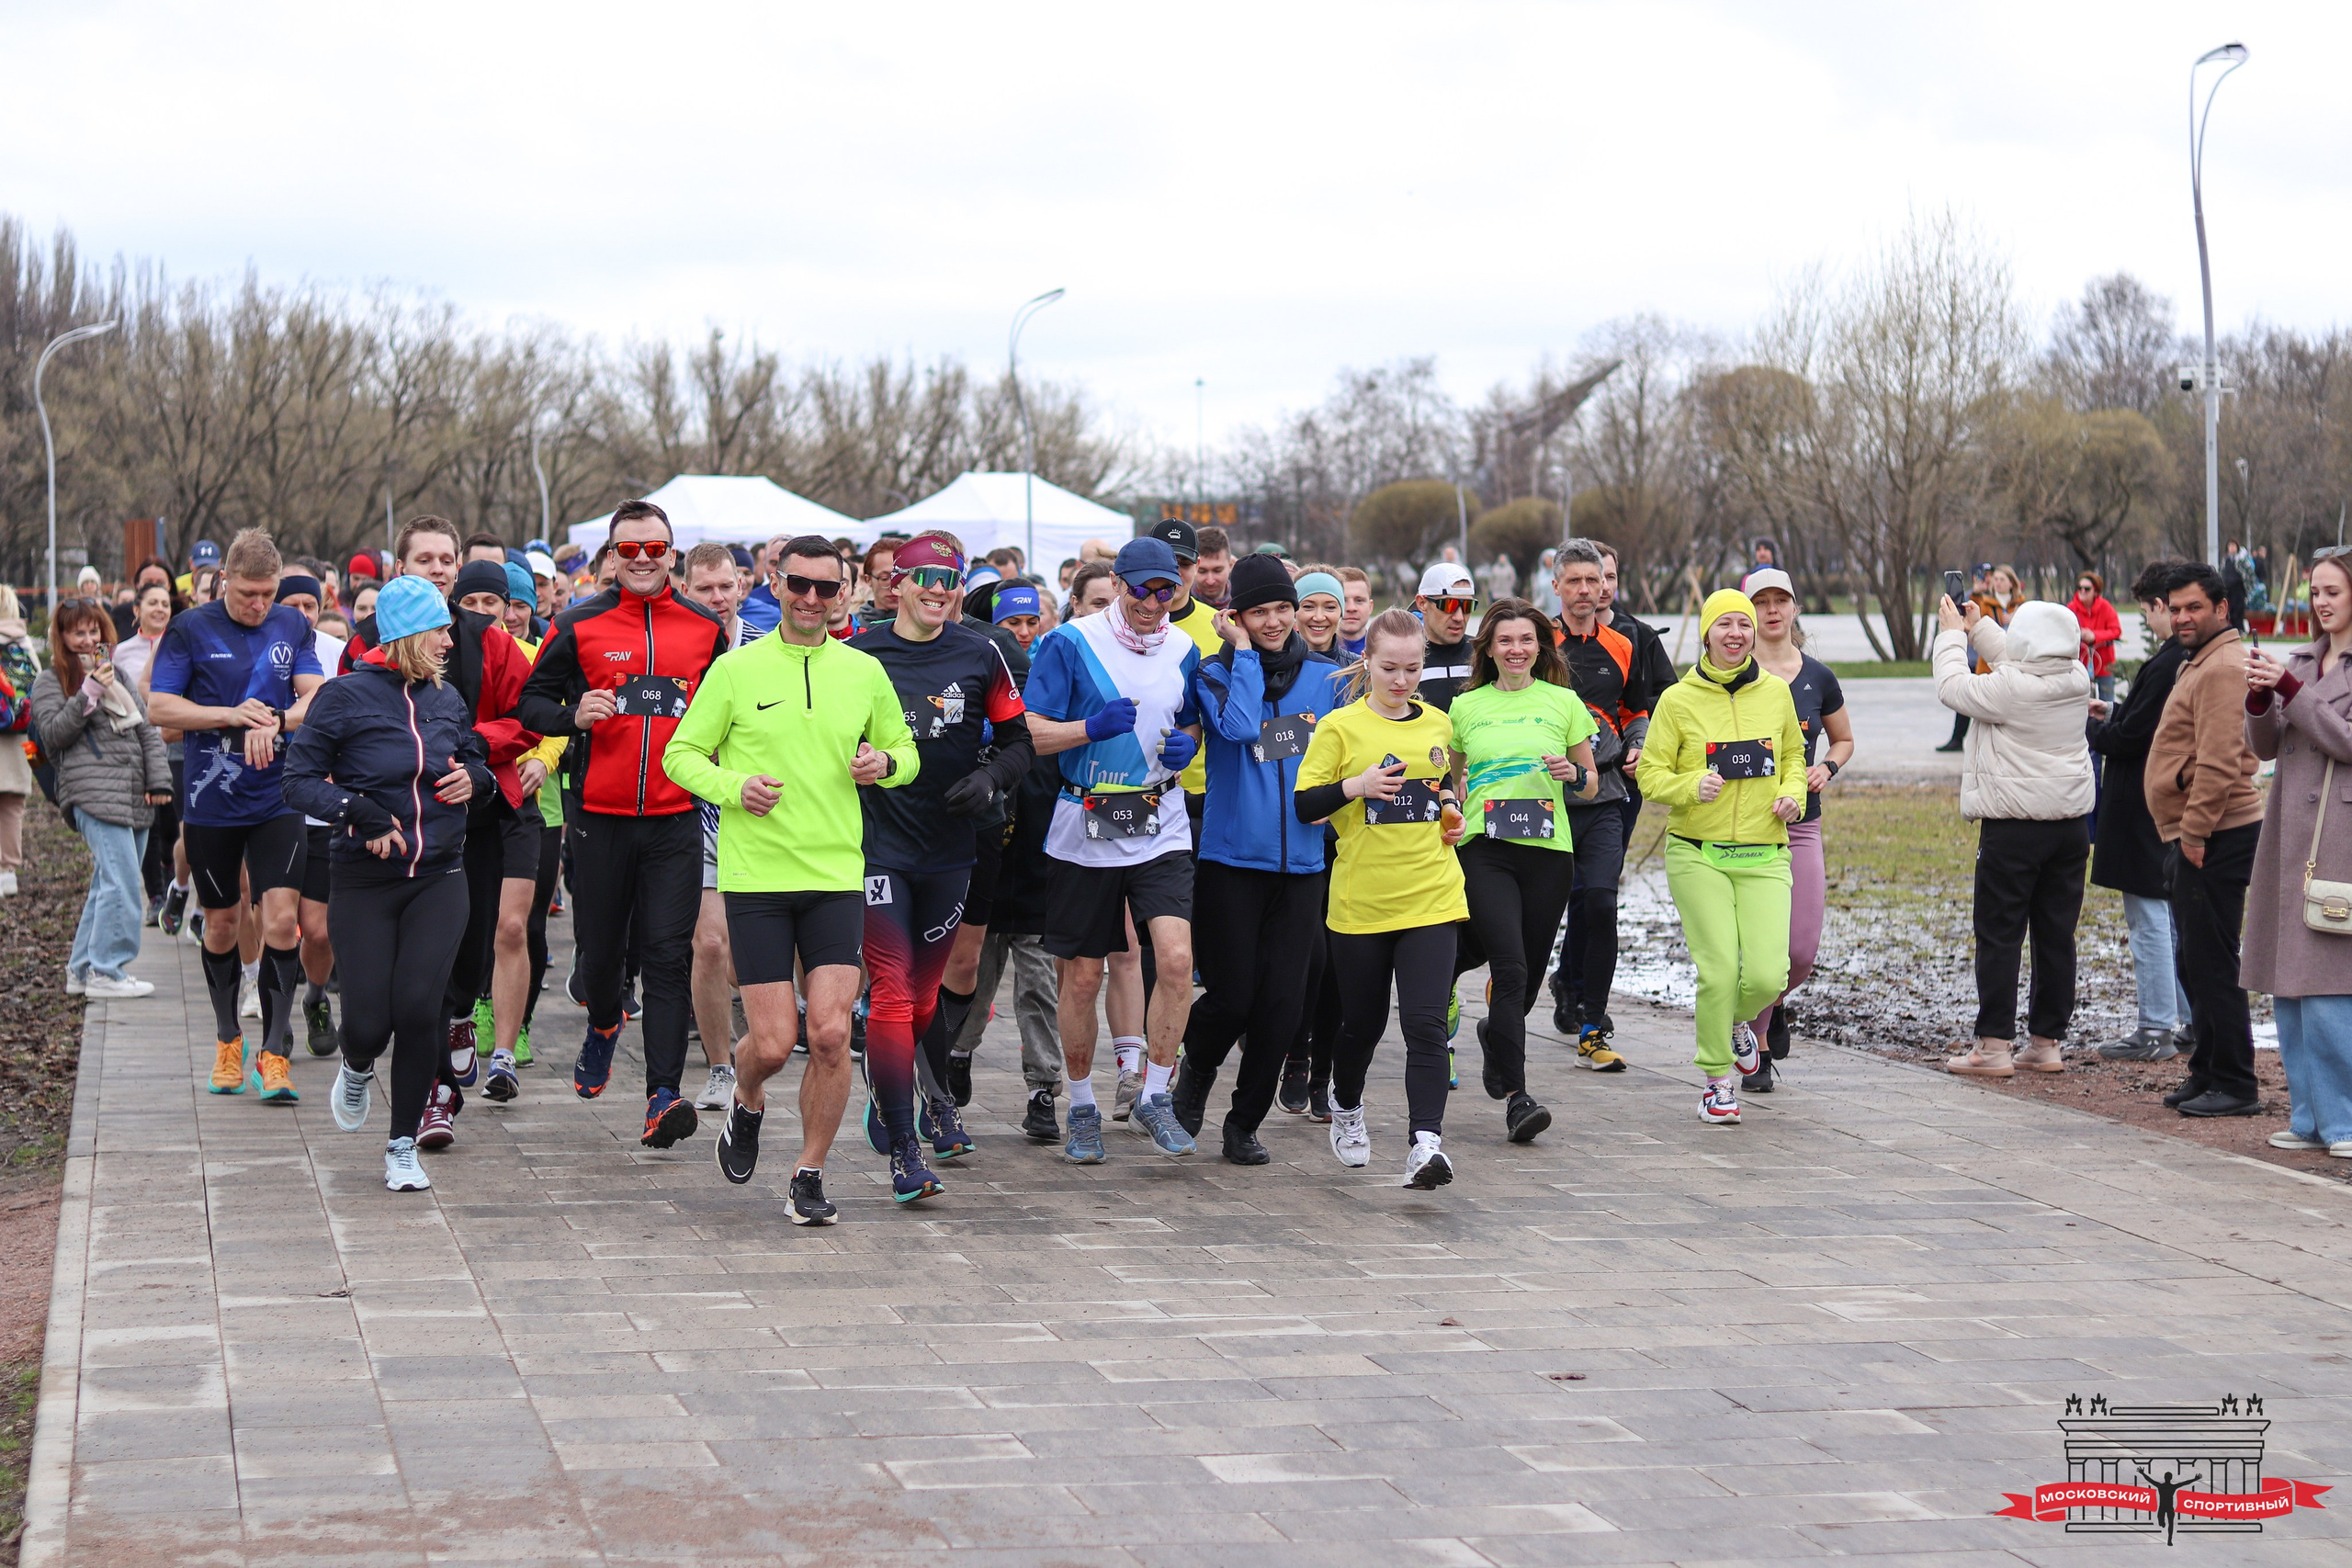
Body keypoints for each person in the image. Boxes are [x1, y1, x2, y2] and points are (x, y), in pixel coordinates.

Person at [663, 536, 919, 1223]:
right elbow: (679, 755)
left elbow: (906, 751)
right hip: (758, 878)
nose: (811, 599)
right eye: (799, 585)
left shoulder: (863, 671)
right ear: (774, 583)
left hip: (837, 871)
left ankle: (809, 1172)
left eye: (826, 589)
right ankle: (747, 1100)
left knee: (832, 1034)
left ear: (845, 595)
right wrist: (734, 784)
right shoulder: (736, 670)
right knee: (774, 1042)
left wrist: (884, 766)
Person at [515, 500, 732, 1149]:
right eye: (629, 549)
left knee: (668, 956)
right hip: (598, 816)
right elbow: (530, 701)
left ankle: (662, 1096)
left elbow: (727, 715)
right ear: (612, 555)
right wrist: (573, 714)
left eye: (654, 548)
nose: (642, 559)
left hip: (674, 818)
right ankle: (604, 1022)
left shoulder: (702, 627)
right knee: (604, 955)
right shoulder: (579, 623)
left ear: (673, 553)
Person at [282, 576, 492, 1191]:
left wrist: (475, 778)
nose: (451, 641)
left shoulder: (445, 698)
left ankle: (402, 1146)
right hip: (365, 881)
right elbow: (297, 781)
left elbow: (472, 751)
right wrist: (359, 809)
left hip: (440, 875)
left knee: (419, 1004)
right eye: (440, 630)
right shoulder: (341, 698)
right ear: (407, 635)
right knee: (370, 1021)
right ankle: (355, 1062)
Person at [846, 534, 1032, 1195]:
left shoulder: (981, 653)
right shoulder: (858, 654)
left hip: (953, 847)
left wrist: (990, 783)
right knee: (895, 992)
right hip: (878, 848)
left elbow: (1018, 742)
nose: (938, 588)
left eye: (949, 578)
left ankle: (899, 1085)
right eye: (924, 575)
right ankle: (905, 1148)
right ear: (896, 582)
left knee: (923, 998)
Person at [1021, 536, 1204, 1162]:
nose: (1155, 602)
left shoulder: (1185, 647)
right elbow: (1033, 731)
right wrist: (1087, 729)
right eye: (1143, 589)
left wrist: (1188, 742)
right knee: (1081, 978)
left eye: (1167, 591)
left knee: (1176, 961)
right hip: (1085, 819)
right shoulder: (1069, 642)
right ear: (1120, 583)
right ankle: (1080, 1106)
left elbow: (1187, 716)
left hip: (1160, 818)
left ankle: (1154, 1093)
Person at [1171, 556, 1347, 1163]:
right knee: (1233, 996)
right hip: (1230, 862)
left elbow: (1343, 763)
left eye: (1281, 608)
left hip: (1302, 865)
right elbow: (1243, 727)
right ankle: (1195, 1065)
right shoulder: (1215, 674)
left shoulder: (1329, 680)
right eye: (1259, 612)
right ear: (1236, 615)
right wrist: (1242, 651)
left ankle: (1243, 1120)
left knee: (1283, 1005)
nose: (1274, 621)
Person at [145, 530, 325, 1105]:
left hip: (278, 799)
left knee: (279, 922)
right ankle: (229, 1040)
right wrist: (230, 715)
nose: (259, 605)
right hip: (211, 804)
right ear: (225, 580)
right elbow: (159, 707)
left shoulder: (292, 626)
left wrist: (277, 720)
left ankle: (274, 1054)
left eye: (268, 593)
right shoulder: (190, 629)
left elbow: (315, 698)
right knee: (222, 924)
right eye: (248, 593)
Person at [1294, 606, 1468, 1186]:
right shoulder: (1339, 727)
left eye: (1412, 668)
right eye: (1389, 667)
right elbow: (1303, 806)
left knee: (1425, 1024)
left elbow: (1446, 788)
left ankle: (1425, 1143)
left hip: (1433, 895)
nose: (1401, 680)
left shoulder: (1440, 726)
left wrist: (1451, 814)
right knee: (1361, 1024)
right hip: (1361, 902)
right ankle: (1346, 1104)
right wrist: (1357, 785)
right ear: (1367, 661)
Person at [1636, 590, 1804, 1125]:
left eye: (1744, 624)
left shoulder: (1777, 694)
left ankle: (1734, 1022)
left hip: (1765, 851)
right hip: (1698, 854)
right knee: (1718, 970)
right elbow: (1650, 774)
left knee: (1766, 975)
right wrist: (1691, 786)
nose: (1736, 634)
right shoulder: (1678, 701)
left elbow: (1796, 758)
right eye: (1724, 624)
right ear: (1706, 634)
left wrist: (1793, 795)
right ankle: (1716, 1080)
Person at [1445, 599, 1600, 1142]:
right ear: (1488, 647)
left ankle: (1496, 1036)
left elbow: (1590, 783)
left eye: (1526, 640)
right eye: (1505, 641)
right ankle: (1518, 1097)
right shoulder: (1465, 708)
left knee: (1528, 977)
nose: (1516, 650)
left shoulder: (1563, 702)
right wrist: (1448, 805)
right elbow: (1450, 780)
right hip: (1486, 849)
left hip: (1548, 853)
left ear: (1541, 647)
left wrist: (1573, 772)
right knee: (1509, 969)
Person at [1932, 592, 2095, 1077]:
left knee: (2000, 935)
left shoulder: (2008, 690)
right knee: (2055, 936)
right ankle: (2046, 1044)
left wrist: (1950, 635)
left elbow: (1952, 686)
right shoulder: (2076, 677)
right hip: (2069, 828)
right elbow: (2022, 662)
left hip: (2014, 830)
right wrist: (1981, 629)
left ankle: (1994, 1046)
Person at [2146, 563, 2267, 1118]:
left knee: (2213, 960)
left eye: (2193, 607)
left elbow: (2220, 762)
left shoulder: (2221, 667)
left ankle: (2237, 1083)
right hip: (2199, 831)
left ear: (2221, 608)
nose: (2182, 617)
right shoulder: (2203, 659)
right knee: (2196, 958)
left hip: (2217, 833)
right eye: (2174, 608)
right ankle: (2208, 1070)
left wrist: (2193, 834)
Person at [2244, 549, 2352, 1156]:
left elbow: (2344, 740)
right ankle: (2310, 1117)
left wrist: (2290, 690)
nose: (2322, 601)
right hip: (2289, 837)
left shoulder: (2312, 671)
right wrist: (2260, 700)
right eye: (2316, 591)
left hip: (2337, 840)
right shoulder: (2304, 659)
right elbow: (2264, 746)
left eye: (2333, 590)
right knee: (2288, 984)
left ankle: (2345, 1121)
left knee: (2330, 985)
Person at [1738, 568, 1853, 1089]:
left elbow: (1844, 740)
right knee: (1757, 949)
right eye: (1760, 602)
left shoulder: (1818, 677)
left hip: (1801, 825)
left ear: (1794, 607)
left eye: (1780, 600)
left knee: (1800, 953)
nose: (1771, 611)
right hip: (1744, 831)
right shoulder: (1732, 673)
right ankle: (1757, 1045)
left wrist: (1825, 768)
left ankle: (1770, 1004)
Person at [1544, 539, 1651, 1066]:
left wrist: (1637, 743)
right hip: (1545, 798)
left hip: (1605, 794)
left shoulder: (1622, 643)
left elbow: (1634, 708)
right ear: (1557, 585)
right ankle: (1507, 1004)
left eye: (1595, 580)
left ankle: (1592, 1026)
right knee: (1538, 913)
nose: (1587, 590)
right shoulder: (1535, 643)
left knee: (1601, 903)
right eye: (1576, 581)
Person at [31, 601, 172, 998]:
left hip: (134, 792)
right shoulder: (49, 681)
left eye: (94, 631)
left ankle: (81, 970)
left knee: (106, 883)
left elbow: (146, 730)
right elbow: (55, 736)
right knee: (123, 881)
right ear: (61, 638)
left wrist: (160, 781)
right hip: (90, 791)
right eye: (78, 633)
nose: (89, 640)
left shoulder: (120, 675)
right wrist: (87, 692)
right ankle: (107, 971)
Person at [2088, 562, 2197, 1061]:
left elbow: (2135, 737)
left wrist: (2090, 729)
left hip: (2140, 808)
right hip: (2165, 805)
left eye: (2150, 611)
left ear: (2161, 607)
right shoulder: (2186, 659)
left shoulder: (2166, 661)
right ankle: (2190, 1018)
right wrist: (2112, 712)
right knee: (2170, 916)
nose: (2153, 620)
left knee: (2149, 919)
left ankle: (2156, 1026)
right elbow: (2143, 722)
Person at [671, 543, 753, 1111]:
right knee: (709, 944)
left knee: (748, 958)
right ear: (685, 589)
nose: (717, 598)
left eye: (725, 587)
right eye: (705, 589)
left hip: (763, 816)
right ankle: (721, 1067)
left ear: (741, 587)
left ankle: (761, 1045)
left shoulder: (768, 646)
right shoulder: (675, 648)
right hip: (696, 815)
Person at [0, 587, 38, 898]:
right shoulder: (22, 643)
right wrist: (37, 757)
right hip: (18, 743)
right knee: (12, 808)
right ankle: (8, 871)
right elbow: (37, 687)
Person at [1413, 561, 1477, 712]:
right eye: (1449, 605)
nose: (1459, 617)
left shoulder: (1483, 654)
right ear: (1422, 603)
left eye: (1467, 606)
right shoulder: (1405, 657)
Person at [2069, 570, 2124, 703]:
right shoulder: (2071, 608)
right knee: (2081, 702)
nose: (2082, 591)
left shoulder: (2106, 607)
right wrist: (2079, 633)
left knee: (2107, 700)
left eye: (2087, 589)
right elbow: (2063, 630)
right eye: (2079, 588)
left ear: (2095, 591)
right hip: (2081, 663)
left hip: (2105, 662)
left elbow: (2116, 631)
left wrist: (2095, 635)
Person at [1294, 570, 1344, 657]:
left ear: (1341, 613)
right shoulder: (1271, 668)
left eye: (1330, 607)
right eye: (1308, 607)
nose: (1319, 617)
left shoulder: (1357, 668)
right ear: (1294, 612)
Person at [1336, 566, 1374, 658]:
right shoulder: (1313, 651)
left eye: (1359, 600)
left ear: (1370, 606)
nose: (1351, 608)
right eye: (1343, 600)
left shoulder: (1385, 650)